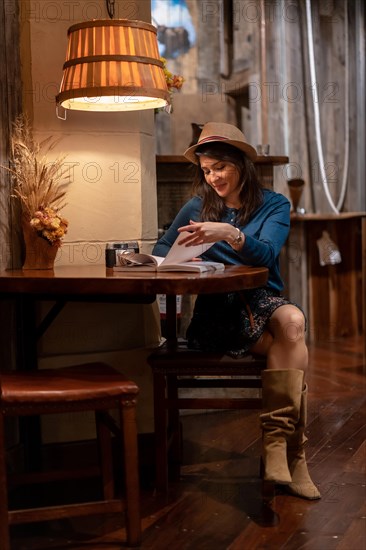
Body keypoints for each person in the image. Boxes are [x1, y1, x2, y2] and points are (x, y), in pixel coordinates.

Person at [153, 122, 320, 500]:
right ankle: (294, 458)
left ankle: (277, 447)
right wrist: (185, 257)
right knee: (293, 348)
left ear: (241, 165)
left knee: (292, 323)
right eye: (207, 170)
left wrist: (229, 234)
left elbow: (265, 254)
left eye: (220, 168)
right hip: (217, 311)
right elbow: (162, 249)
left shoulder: (274, 204)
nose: (212, 177)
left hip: (261, 299)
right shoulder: (197, 206)